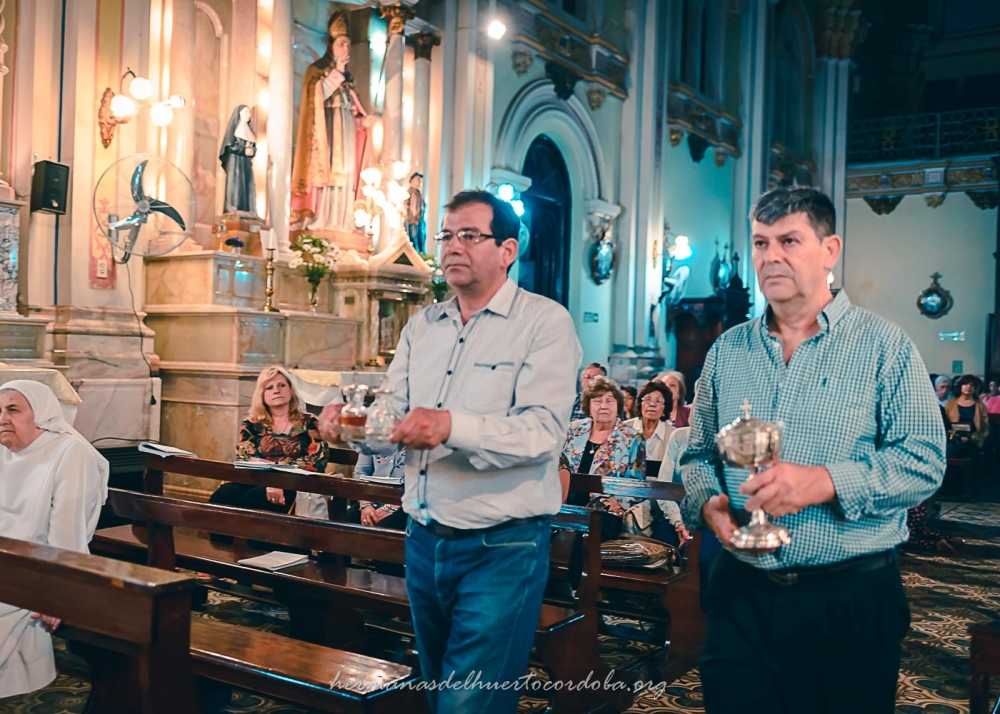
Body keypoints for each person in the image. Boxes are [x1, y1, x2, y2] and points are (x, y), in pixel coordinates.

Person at [680, 187, 945, 714]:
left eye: (789, 241)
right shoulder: (728, 349)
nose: (770, 256)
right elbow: (697, 457)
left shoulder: (884, 346)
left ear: (830, 250)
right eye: (760, 243)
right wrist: (708, 504)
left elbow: (924, 460)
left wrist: (822, 482)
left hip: (847, 596)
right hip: (741, 591)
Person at [384, 189, 580, 713]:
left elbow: (542, 433)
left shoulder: (544, 323)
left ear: (507, 250)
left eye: (470, 235)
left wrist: (451, 427)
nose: (453, 246)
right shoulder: (423, 326)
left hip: (502, 546)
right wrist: (352, 424)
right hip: (423, 538)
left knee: (468, 704)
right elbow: (391, 409)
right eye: (446, 235)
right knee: (438, 690)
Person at [0, 381, 109, 698]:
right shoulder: (3, 451)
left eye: (13, 409)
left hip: (37, 567)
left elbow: (68, 533)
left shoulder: (70, 453)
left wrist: (59, 592)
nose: (2, 418)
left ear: (42, 413)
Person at [210, 365, 327, 515]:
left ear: (291, 390)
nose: (276, 390)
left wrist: (277, 481)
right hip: (256, 480)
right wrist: (270, 481)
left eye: (282, 385)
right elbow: (245, 458)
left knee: (258, 497)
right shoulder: (251, 424)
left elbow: (316, 462)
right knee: (223, 495)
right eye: (269, 388)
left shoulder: (310, 423)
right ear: (262, 395)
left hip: (296, 485)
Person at [290, 11, 369, 230]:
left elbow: (354, 111)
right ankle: (323, 219)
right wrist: (337, 72)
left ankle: (341, 221)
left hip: (345, 135)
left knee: (346, 175)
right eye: (342, 44)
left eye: (349, 45)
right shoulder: (317, 71)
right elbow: (315, 97)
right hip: (328, 133)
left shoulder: (348, 81)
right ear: (331, 46)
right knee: (330, 174)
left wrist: (363, 122)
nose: (346, 49)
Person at [561, 376, 646, 538]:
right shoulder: (573, 430)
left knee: (580, 535)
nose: (604, 406)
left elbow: (637, 487)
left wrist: (617, 503)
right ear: (588, 405)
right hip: (565, 505)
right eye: (597, 401)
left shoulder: (632, 438)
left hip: (605, 512)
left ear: (618, 404)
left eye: (609, 401)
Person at [356, 447, 406, 529]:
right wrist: (365, 506)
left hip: (401, 505)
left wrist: (390, 508)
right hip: (370, 500)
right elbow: (360, 473)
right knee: (348, 523)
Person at [219, 104, 256, 214]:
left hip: (246, 163)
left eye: (249, 112)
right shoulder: (236, 130)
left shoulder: (248, 130)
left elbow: (252, 146)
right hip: (235, 162)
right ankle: (234, 207)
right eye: (246, 112)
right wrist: (243, 149)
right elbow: (229, 146)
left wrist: (252, 151)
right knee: (236, 185)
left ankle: (245, 208)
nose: (248, 115)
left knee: (246, 185)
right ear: (239, 114)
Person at [945, 374, 989, 450]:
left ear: (975, 388)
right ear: (960, 386)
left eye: (972, 385)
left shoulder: (980, 406)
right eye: (965, 384)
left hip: (974, 442)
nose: (968, 387)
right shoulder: (950, 405)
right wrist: (954, 437)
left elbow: (985, 427)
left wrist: (976, 437)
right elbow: (946, 425)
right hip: (953, 442)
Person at [405, 172, 426, 254]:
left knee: (420, 240)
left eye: (420, 180)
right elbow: (411, 207)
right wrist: (414, 218)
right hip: (413, 222)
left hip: (418, 221)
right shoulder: (410, 193)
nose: (419, 182)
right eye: (417, 180)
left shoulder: (418, 193)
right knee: (414, 240)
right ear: (412, 181)